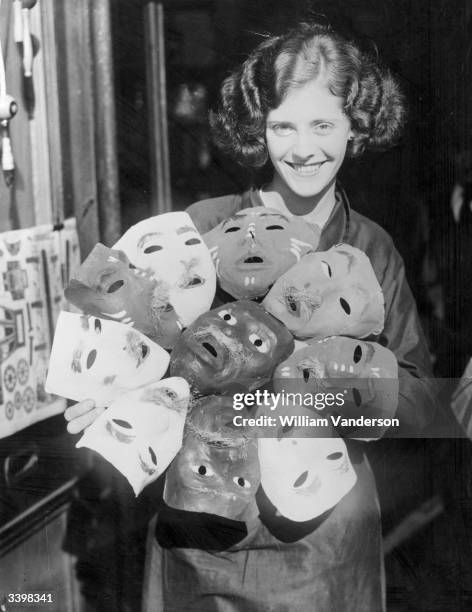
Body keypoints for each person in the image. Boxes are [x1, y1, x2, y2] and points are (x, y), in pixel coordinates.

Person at [65, 22, 436, 612]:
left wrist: (337, 390)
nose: (304, 147)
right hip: (201, 535)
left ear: (355, 126)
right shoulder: (200, 227)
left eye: (324, 124)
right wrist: (99, 397)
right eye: (283, 125)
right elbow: (127, 347)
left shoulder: (370, 247)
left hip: (322, 544)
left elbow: (417, 395)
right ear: (257, 128)